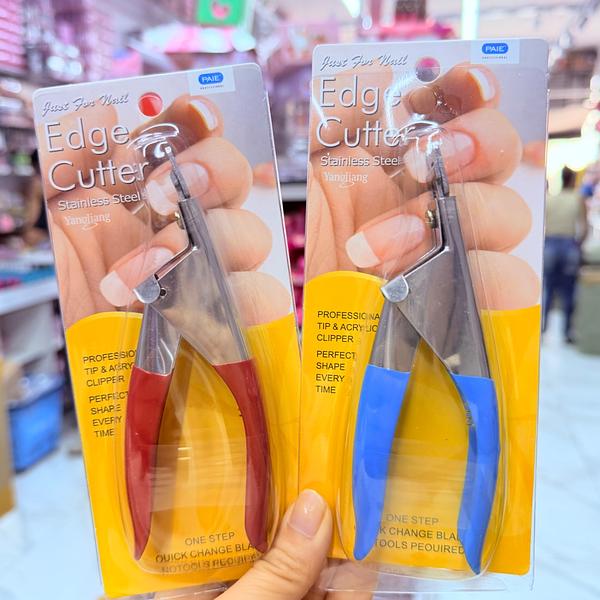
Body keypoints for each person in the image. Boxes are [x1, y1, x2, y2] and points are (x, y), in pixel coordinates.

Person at [542, 166, 588, 343]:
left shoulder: (550, 199)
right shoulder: (578, 198)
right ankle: (567, 332)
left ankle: (542, 329)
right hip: (569, 246)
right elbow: (583, 227)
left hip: (550, 245)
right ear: (574, 180)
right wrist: (578, 244)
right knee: (568, 291)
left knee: (548, 289)